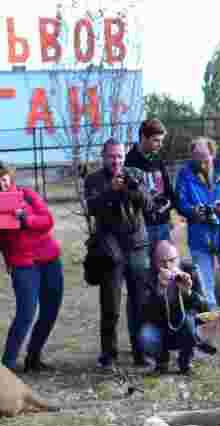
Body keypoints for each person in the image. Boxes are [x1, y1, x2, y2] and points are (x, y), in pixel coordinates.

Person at [0, 158, 62, 373]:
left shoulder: (27, 195)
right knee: (26, 313)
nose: (2, 185)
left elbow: (48, 221)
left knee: (50, 311)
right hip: (23, 264)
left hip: (48, 258)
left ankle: (33, 357)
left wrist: (27, 219)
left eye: (4, 179)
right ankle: (6, 366)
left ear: (10, 176)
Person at [84, 138, 152, 369]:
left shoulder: (136, 174)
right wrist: (111, 191)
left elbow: (149, 204)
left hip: (137, 246)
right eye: (112, 156)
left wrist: (133, 188)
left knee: (140, 304)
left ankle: (140, 353)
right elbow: (92, 208)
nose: (116, 161)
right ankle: (109, 355)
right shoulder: (93, 179)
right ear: (104, 157)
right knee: (110, 305)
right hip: (110, 249)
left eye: (120, 156)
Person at [175, 136, 220, 310]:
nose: (201, 161)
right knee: (205, 293)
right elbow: (180, 203)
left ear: (213, 153)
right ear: (191, 156)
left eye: (205, 157)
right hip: (199, 240)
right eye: (196, 157)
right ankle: (211, 333)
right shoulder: (185, 174)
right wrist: (194, 211)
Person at [138, 241, 208, 375]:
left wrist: (188, 293)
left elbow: (205, 308)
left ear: (179, 257)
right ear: (154, 262)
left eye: (172, 260)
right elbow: (144, 315)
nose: (168, 266)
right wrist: (159, 291)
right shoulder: (147, 276)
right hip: (160, 326)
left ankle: (185, 361)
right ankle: (161, 362)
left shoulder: (191, 270)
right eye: (162, 262)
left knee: (190, 324)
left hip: (185, 325)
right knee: (146, 335)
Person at [124, 118, 176, 254]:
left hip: (163, 224)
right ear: (143, 137)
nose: (160, 145)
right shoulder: (129, 162)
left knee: (168, 266)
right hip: (143, 227)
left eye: (161, 141)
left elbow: (168, 189)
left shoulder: (158, 160)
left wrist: (168, 208)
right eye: (156, 140)